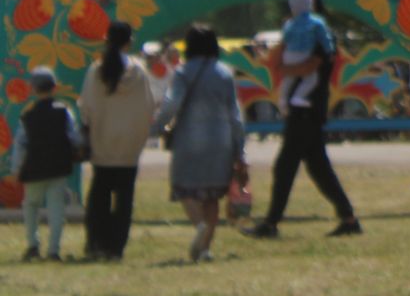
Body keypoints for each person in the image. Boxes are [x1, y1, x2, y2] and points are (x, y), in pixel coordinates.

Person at [245, 0, 359, 239]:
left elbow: (312, 65)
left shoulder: (320, 35)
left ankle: (271, 222)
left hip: (307, 110)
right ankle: (348, 218)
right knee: (318, 166)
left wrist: (286, 70)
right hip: (303, 109)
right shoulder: (299, 31)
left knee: (285, 165)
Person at [154, 24, 247, 263]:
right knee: (212, 195)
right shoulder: (225, 73)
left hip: (190, 139)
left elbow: (172, 104)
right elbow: (235, 115)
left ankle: (199, 227)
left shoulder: (184, 73)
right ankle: (204, 249)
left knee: (185, 188)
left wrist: (156, 127)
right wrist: (240, 149)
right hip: (221, 140)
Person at [79, 20, 157, 261]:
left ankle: (96, 243)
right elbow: (148, 107)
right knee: (124, 199)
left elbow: (87, 108)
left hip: (102, 142)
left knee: (99, 196)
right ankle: (116, 247)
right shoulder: (139, 72)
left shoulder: (97, 70)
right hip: (129, 147)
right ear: (129, 41)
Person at [11, 66, 80, 262]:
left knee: (31, 205)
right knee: (56, 208)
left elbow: (20, 144)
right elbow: (73, 137)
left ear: (32, 89)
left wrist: (16, 169)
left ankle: (33, 245)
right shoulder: (64, 112)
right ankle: (53, 250)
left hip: (34, 168)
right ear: (55, 88)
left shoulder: (28, 116)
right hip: (58, 166)